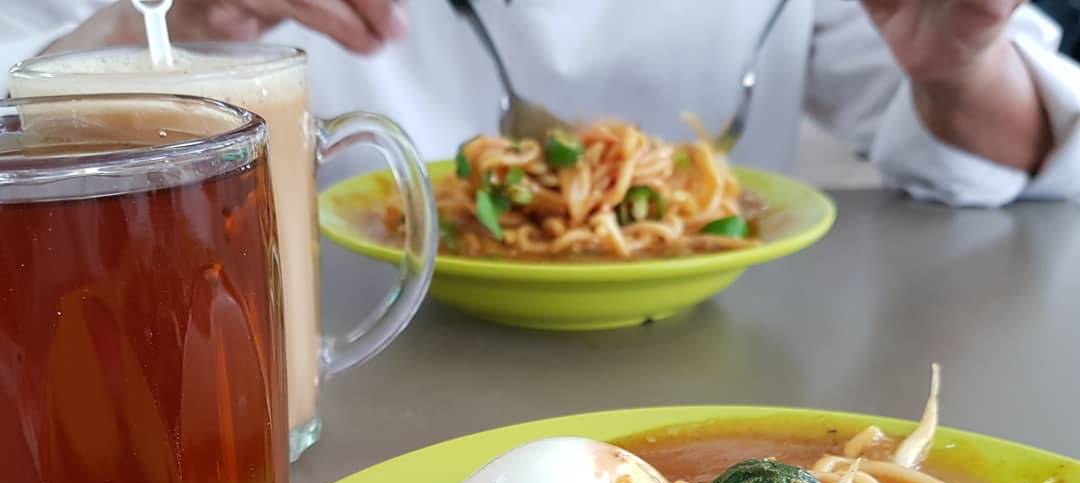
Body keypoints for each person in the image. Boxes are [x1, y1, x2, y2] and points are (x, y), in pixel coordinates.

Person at [3, 0, 1079, 207]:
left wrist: (957, 67)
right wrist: (160, 21)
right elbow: (21, 83)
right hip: (327, 383)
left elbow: (1027, 152)